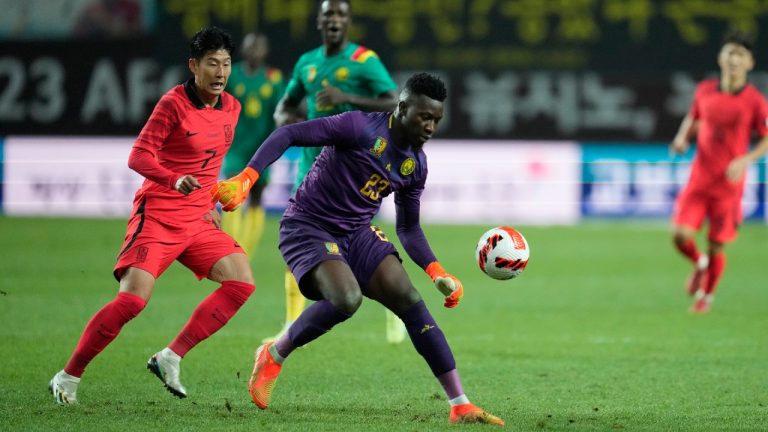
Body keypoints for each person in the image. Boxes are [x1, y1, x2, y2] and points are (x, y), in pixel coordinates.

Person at [212, 72, 504, 426]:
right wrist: (247, 177)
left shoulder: (416, 165)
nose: (430, 127)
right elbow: (289, 133)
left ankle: (460, 403)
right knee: (347, 299)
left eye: (437, 120)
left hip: (357, 232)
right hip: (308, 225)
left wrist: (436, 270)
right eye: (424, 117)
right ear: (402, 107)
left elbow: (408, 227)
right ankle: (274, 353)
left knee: (409, 299)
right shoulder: (359, 128)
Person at [49, 27, 255, 405]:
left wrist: (211, 203)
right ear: (194, 66)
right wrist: (173, 179)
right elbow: (138, 156)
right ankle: (67, 377)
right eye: (212, 63)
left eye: (226, 64)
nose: (220, 72)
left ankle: (170, 356)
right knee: (132, 302)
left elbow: (211, 163)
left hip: (197, 220)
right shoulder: (172, 104)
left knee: (241, 283)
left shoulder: (232, 108)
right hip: (158, 215)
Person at [267, 0, 404, 344]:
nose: (334, 20)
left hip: (353, 174)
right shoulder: (307, 63)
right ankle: (291, 321)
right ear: (319, 20)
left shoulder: (364, 61)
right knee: (298, 245)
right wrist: (285, 120)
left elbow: (395, 102)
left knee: (363, 243)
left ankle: (395, 309)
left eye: (341, 14)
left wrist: (346, 96)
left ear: (348, 22)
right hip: (311, 169)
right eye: (329, 14)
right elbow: (286, 105)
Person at [670, 31, 768, 314]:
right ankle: (699, 265)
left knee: (716, 246)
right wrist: (681, 137)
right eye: (730, 53)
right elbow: (694, 115)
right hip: (699, 179)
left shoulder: (755, 101)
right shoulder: (705, 90)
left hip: (728, 186)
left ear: (749, 63)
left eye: (740, 54)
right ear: (720, 58)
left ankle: (705, 298)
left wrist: (745, 159)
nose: (734, 59)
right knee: (679, 235)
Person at [221, 32, 285, 256]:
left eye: (258, 48)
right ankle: (230, 246)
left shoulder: (273, 78)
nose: (254, 52)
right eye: (250, 47)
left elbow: (280, 113)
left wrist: (277, 141)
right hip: (236, 147)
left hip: (262, 148)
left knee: (256, 196)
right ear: (244, 50)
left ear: (265, 52)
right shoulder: (232, 75)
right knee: (231, 195)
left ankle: (245, 251)